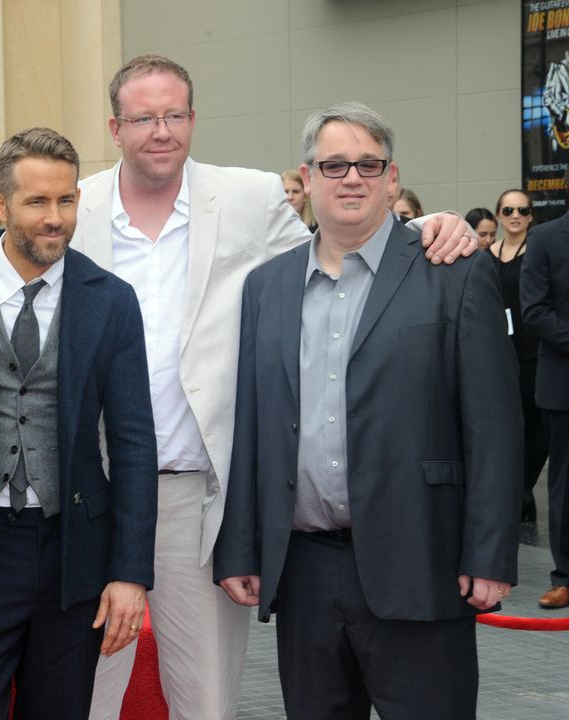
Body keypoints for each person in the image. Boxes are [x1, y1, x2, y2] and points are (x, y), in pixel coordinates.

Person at [72, 54, 478, 720]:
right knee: (83, 692)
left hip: (197, 495)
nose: (162, 131)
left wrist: (432, 226)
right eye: (144, 118)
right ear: (115, 127)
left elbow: (344, 255)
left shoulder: (249, 198)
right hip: (97, 490)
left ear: (194, 119)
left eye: (175, 114)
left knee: (205, 701)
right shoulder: (76, 207)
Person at [213, 101, 521, 719]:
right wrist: (241, 546)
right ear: (306, 179)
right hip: (304, 572)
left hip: (422, 561)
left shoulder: (454, 273)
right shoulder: (265, 287)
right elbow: (252, 426)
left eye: (367, 164)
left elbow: (494, 426)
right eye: (334, 165)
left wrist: (490, 554)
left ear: (392, 178)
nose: (351, 178)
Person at [0, 127, 158, 720]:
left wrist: (129, 571)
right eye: (37, 201)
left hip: (73, 551)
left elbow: (134, 442)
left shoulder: (110, 298)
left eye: (66, 201)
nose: (55, 218)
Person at [522, 178, 569, 610]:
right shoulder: (546, 238)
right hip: (563, 386)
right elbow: (534, 310)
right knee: (565, 485)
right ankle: (565, 576)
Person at [490, 190, 548, 523]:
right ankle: (514, 485)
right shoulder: (488, 255)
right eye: (508, 209)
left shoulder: (536, 252)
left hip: (531, 348)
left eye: (522, 210)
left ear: (530, 215)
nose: (515, 215)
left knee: (534, 421)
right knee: (506, 420)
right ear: (499, 214)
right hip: (499, 348)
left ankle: (525, 484)